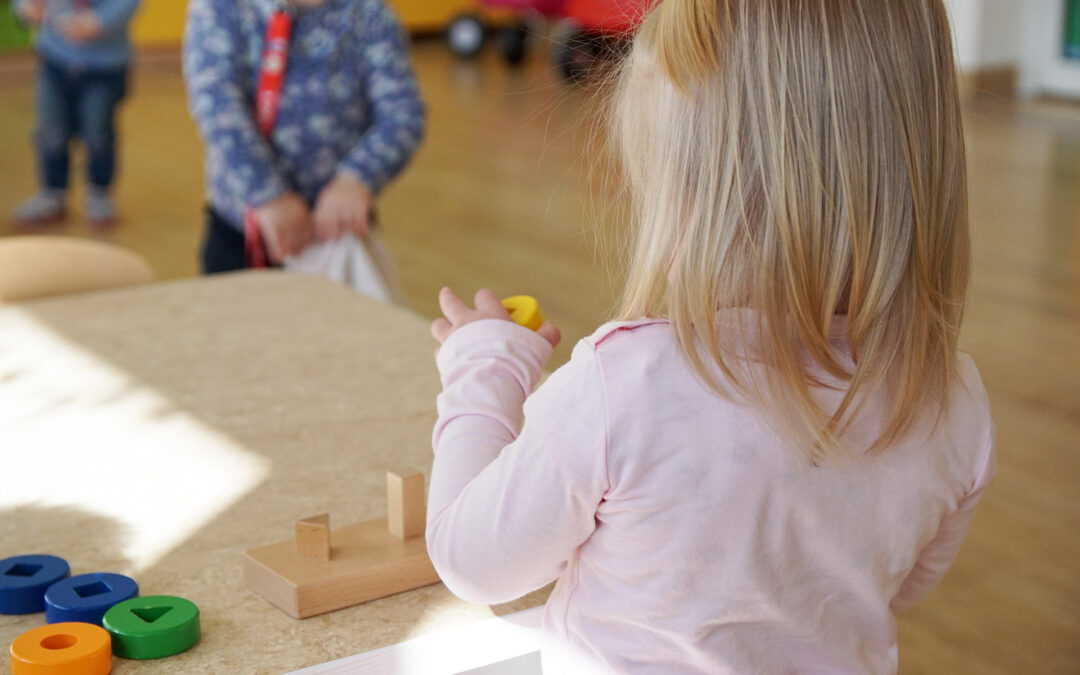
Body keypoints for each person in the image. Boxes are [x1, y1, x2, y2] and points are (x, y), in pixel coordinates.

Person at [426, 1, 995, 673]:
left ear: (693, 197)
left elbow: (473, 560)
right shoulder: (953, 398)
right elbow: (902, 584)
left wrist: (482, 369)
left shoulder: (627, 385)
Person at [182, 0, 425, 273]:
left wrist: (356, 179)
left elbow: (403, 113)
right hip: (242, 230)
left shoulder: (368, 12)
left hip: (339, 226)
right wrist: (269, 196)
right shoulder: (221, 7)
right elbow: (218, 111)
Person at [12, 0, 140, 227]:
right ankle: (52, 194)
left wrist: (100, 23)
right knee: (51, 132)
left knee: (97, 134)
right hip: (55, 62)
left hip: (104, 69)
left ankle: (99, 195)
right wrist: (26, 8)